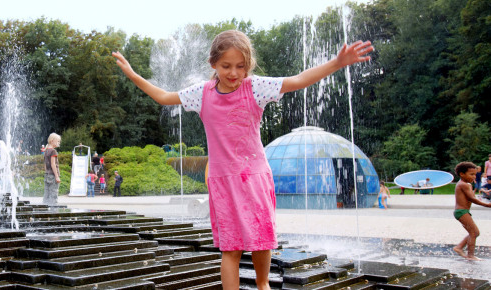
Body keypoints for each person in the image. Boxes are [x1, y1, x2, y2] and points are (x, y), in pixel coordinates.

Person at [113, 30, 373, 289]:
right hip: (223, 182)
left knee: (262, 239)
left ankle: (263, 285)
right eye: (226, 66)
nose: (234, 73)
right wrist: (133, 75)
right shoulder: (202, 93)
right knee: (231, 248)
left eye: (241, 66)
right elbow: (164, 97)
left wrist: (337, 63)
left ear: (248, 66)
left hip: (255, 177)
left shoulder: (255, 88)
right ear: (212, 63)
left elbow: (298, 80)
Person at [452, 161, 491, 261]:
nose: (474, 177)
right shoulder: (464, 185)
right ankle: (470, 255)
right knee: (473, 232)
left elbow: (472, 196)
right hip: (461, 212)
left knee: (474, 232)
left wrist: (485, 191)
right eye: (471, 174)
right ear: (462, 174)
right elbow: (472, 198)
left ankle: (459, 247)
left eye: (475, 174)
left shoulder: (465, 184)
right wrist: (486, 205)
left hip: (462, 212)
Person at [43, 133, 61, 206]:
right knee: (53, 193)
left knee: (46, 194)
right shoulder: (53, 151)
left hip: (47, 174)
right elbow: (53, 164)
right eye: (58, 141)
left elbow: (45, 164)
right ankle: (53, 211)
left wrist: (46, 173)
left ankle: (45, 210)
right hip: (53, 175)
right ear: (52, 141)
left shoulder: (46, 150)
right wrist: (56, 176)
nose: (58, 143)